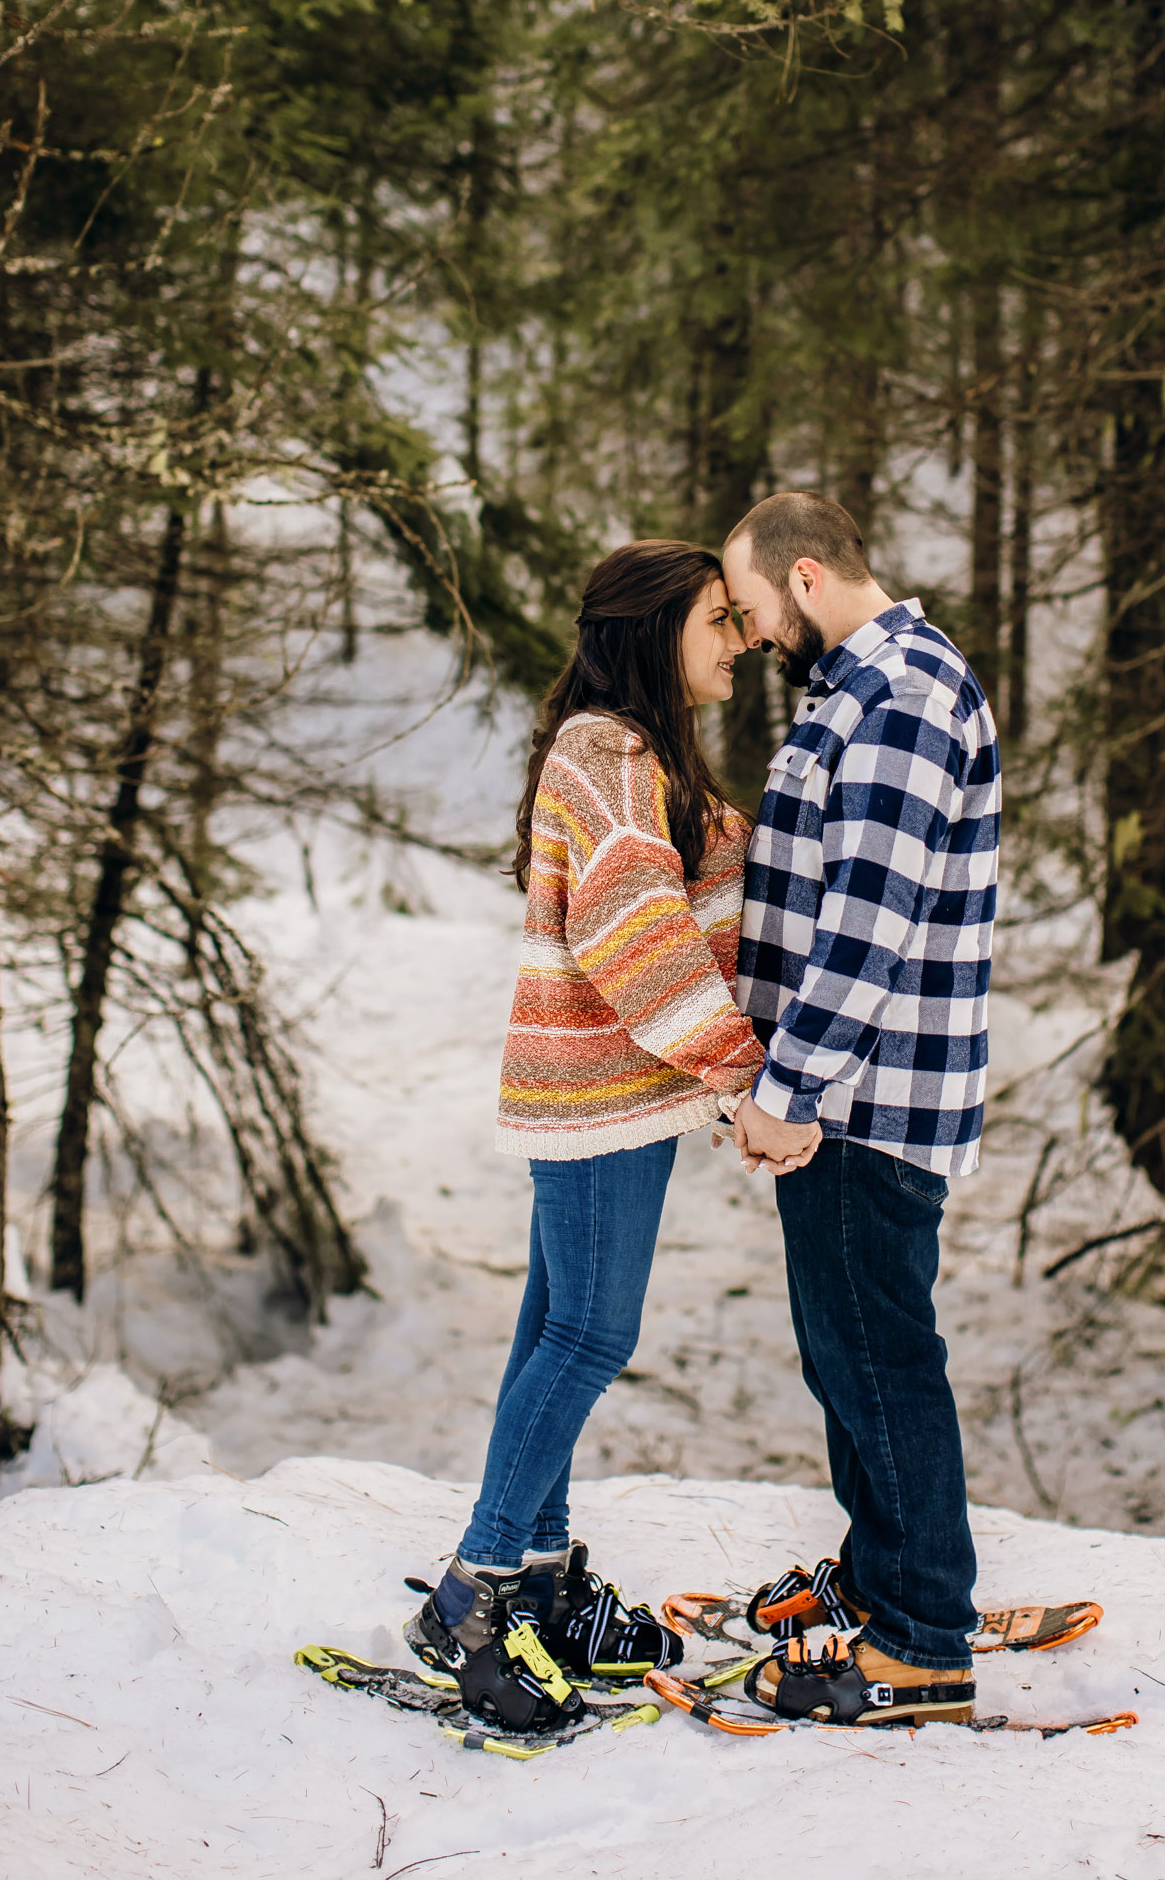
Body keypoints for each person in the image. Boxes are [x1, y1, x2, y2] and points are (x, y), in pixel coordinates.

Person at [405, 540, 809, 1733]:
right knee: (586, 1333)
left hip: (607, 1090)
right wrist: (740, 1071)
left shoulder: (627, 752)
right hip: (600, 1094)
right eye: (716, 622)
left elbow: (699, 877)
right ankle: (473, 1593)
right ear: (650, 629)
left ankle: (537, 1577)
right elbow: (633, 931)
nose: (736, 643)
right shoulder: (607, 751)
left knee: (554, 1325)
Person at [721, 491, 1002, 1728]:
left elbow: (867, 929)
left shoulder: (896, 698)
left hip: (862, 1100)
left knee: (880, 1359)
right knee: (848, 1353)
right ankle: (883, 1574)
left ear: (806, 577)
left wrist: (788, 1091)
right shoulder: (854, 694)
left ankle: (920, 1636)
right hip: (846, 1094)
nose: (749, 633)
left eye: (750, 610)